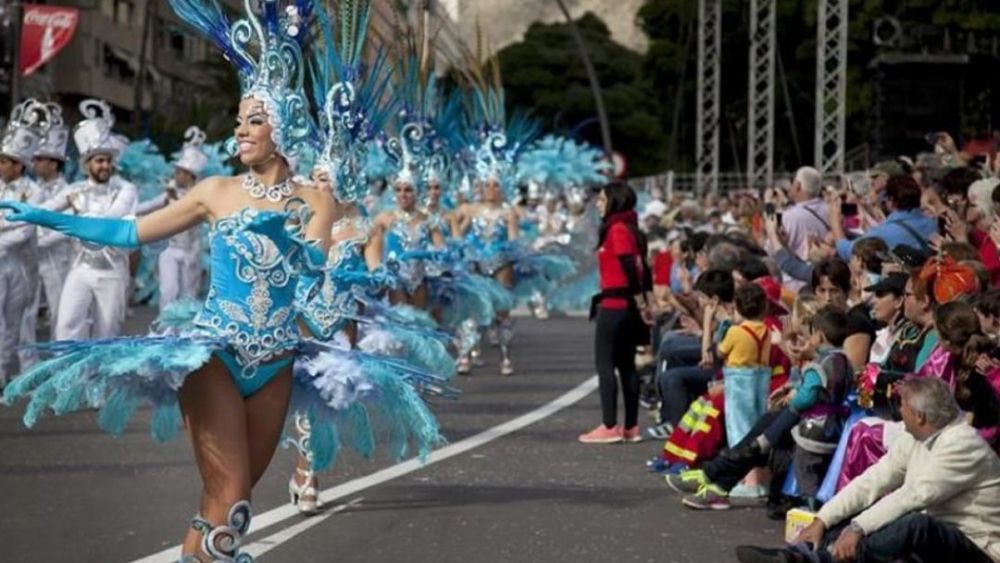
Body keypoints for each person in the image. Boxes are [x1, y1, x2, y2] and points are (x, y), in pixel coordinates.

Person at [2, 3, 444, 560]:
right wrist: (48, 217)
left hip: (278, 360)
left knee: (223, 503)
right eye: (237, 121)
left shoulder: (317, 200)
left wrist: (333, 268)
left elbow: (319, 302)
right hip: (214, 353)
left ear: (280, 125)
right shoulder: (215, 192)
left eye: (252, 120)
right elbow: (130, 231)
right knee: (232, 502)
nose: (239, 130)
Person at [736, 377, 1000, 563]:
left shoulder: (962, 443)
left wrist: (858, 529)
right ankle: (801, 552)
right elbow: (873, 480)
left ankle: (823, 559)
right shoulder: (919, 436)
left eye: (903, 407)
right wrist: (823, 519)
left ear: (919, 416)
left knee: (913, 523)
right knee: (856, 512)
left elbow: (914, 495)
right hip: (944, 535)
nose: (899, 412)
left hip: (978, 547)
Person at [51, 99, 138, 340]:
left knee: (107, 334)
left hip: (112, 271)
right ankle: (72, 377)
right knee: (66, 328)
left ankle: (102, 378)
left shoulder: (126, 189)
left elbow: (112, 218)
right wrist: (22, 212)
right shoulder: (75, 190)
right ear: (87, 164)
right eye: (99, 161)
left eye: (108, 161)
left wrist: (78, 218)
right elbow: (47, 210)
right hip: (80, 268)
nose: (105, 166)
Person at [579, 182, 652, 444]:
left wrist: (641, 301)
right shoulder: (632, 229)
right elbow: (645, 269)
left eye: (601, 200)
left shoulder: (618, 229)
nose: (598, 204)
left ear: (615, 201)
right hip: (626, 307)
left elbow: (630, 267)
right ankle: (631, 426)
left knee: (606, 364)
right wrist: (645, 302)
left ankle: (609, 425)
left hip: (615, 306)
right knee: (626, 365)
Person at [0, 100, 47, 385]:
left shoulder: (34, 192)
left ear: (19, 166)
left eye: (5, 161)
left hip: (20, 264)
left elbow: (26, 230)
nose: (0, 165)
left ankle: (4, 373)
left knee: (14, 322)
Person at [29, 101, 72, 336]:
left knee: (59, 312)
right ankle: (28, 363)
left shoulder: (67, 190)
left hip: (56, 259)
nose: (34, 163)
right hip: (30, 257)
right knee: (26, 311)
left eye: (40, 159)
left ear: (53, 162)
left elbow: (64, 228)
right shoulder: (31, 189)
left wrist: (38, 242)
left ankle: (59, 362)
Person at [833, 175, 937, 262]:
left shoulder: (885, 232)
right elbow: (856, 232)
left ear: (891, 200)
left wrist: (834, 220)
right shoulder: (933, 224)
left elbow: (847, 251)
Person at [777, 167, 829, 260]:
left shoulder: (790, 215)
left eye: (793, 182)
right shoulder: (831, 209)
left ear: (798, 186)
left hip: (798, 270)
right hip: (828, 267)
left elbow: (778, 249)